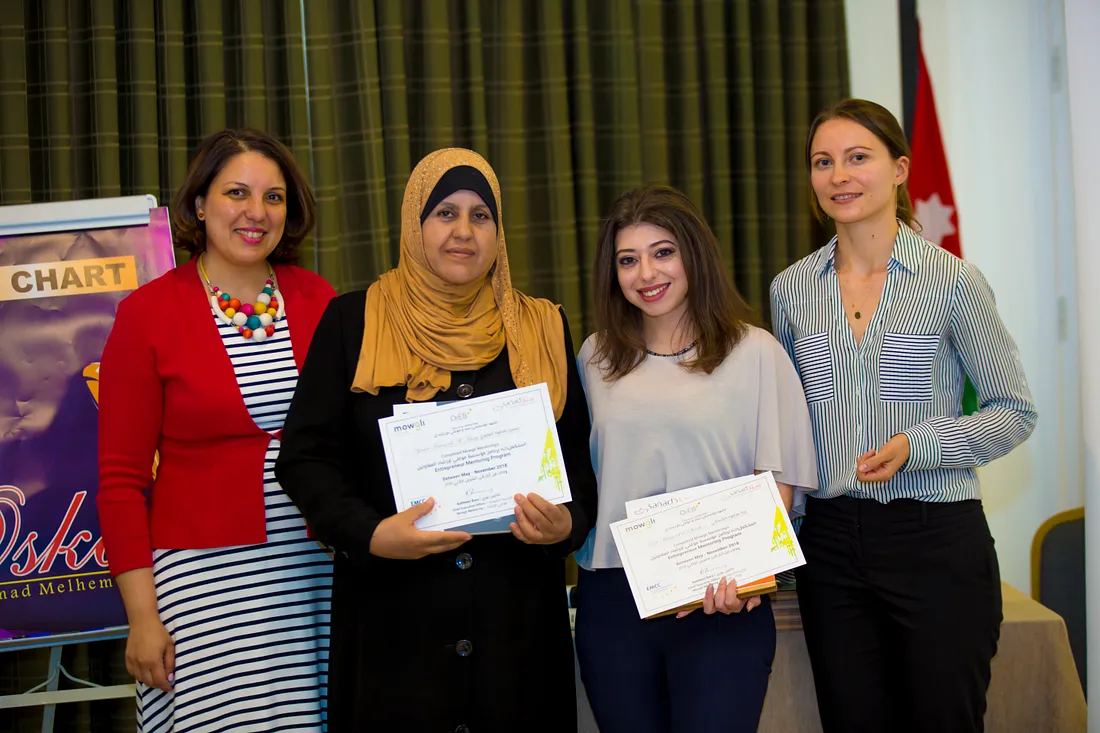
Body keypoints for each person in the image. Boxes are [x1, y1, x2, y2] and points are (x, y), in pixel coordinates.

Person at [273, 147, 598, 732]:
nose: (463, 232)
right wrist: (371, 534)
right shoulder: (355, 321)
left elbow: (576, 461)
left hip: (516, 636)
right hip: (394, 634)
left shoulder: (542, 326)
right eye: (445, 212)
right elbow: (305, 459)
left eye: (481, 215)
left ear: (499, 232)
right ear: (414, 224)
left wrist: (565, 526)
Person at [770, 98, 1038, 733]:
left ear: (899, 169)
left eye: (857, 158)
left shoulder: (954, 282)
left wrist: (920, 445)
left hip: (935, 540)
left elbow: (1014, 411)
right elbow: (785, 429)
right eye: (823, 162)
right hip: (830, 548)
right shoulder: (789, 291)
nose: (839, 175)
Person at [97, 129, 336, 731]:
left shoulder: (320, 300)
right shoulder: (147, 313)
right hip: (207, 590)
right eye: (237, 193)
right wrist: (143, 616)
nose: (257, 213)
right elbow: (121, 482)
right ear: (200, 205)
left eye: (274, 197)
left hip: (319, 575)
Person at [574, 184, 818, 733]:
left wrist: (748, 574)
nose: (646, 274)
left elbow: (778, 483)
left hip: (721, 600)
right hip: (614, 598)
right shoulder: (594, 357)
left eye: (663, 252)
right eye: (627, 260)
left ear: (694, 254)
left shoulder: (756, 353)